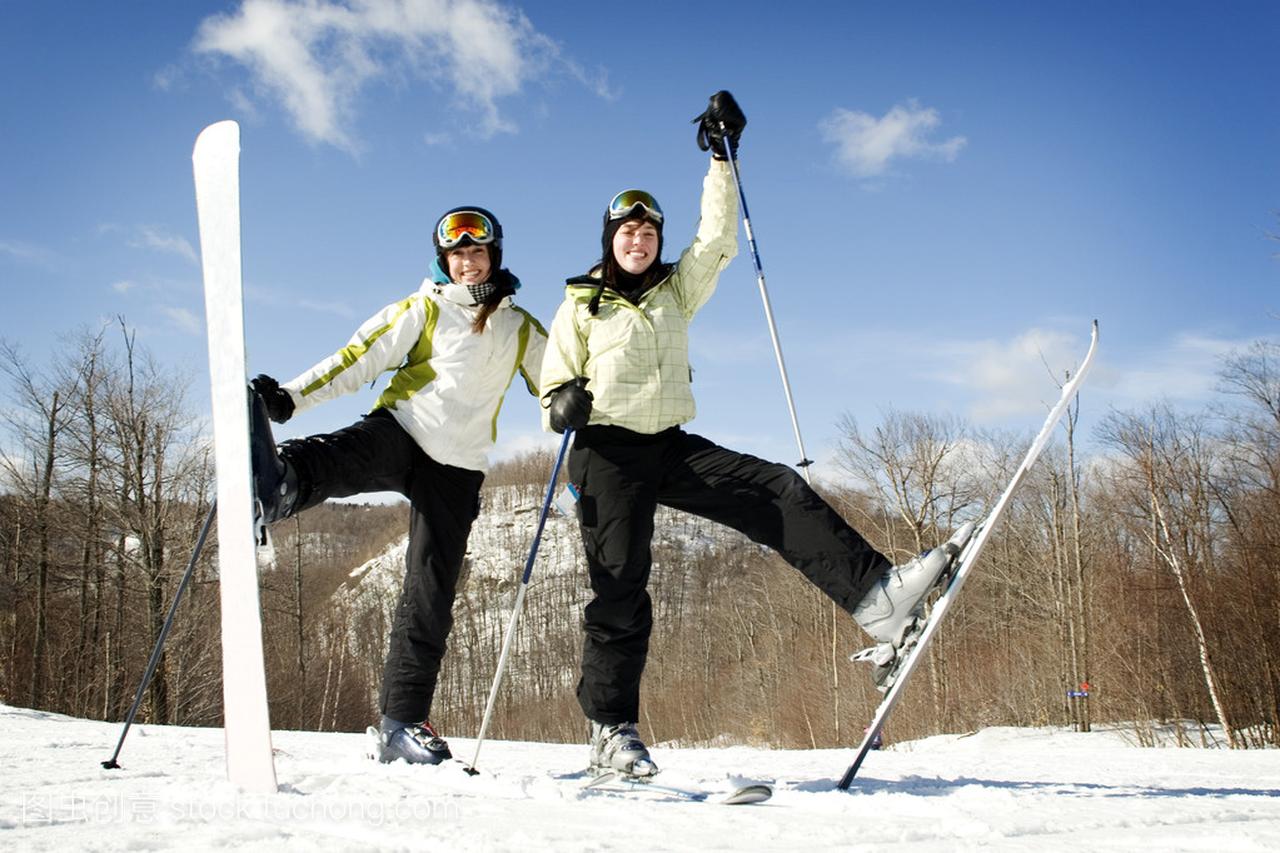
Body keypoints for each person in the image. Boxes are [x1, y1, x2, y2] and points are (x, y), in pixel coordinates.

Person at [539, 91, 970, 779]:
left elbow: (717, 241)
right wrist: (561, 401)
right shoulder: (581, 305)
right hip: (605, 455)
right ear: (609, 238)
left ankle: (880, 600)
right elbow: (552, 380)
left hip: (668, 443)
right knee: (621, 587)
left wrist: (721, 158)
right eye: (627, 231)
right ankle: (611, 729)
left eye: (648, 232)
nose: (639, 240)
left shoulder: (675, 292)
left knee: (777, 488)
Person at [249, 206, 547, 765]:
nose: (467, 262)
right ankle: (279, 484)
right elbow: (359, 359)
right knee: (350, 454)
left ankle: (401, 723)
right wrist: (290, 397)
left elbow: (555, 382)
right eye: (457, 254)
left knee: (430, 595)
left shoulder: (520, 326)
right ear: (444, 261)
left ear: (494, 256)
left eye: (477, 252)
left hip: (459, 465)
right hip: (407, 427)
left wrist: (573, 402)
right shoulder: (422, 309)